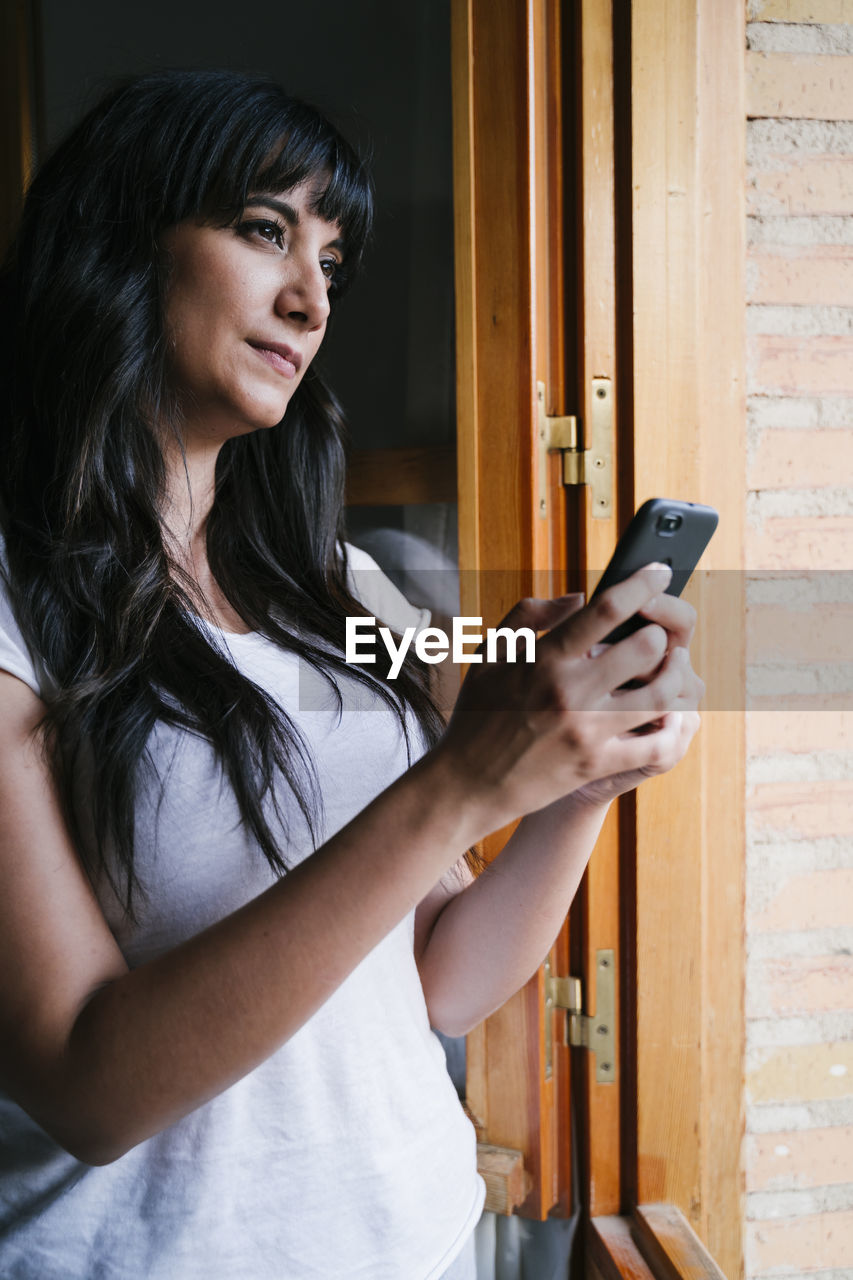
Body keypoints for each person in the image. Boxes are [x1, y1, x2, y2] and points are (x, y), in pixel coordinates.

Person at [0, 70, 703, 1280]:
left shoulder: (340, 590)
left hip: (417, 1242)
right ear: (118, 241)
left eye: (333, 259)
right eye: (266, 229)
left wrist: (577, 778)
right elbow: (87, 1082)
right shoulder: (15, 603)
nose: (309, 296)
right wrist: (470, 779)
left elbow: (438, 979)